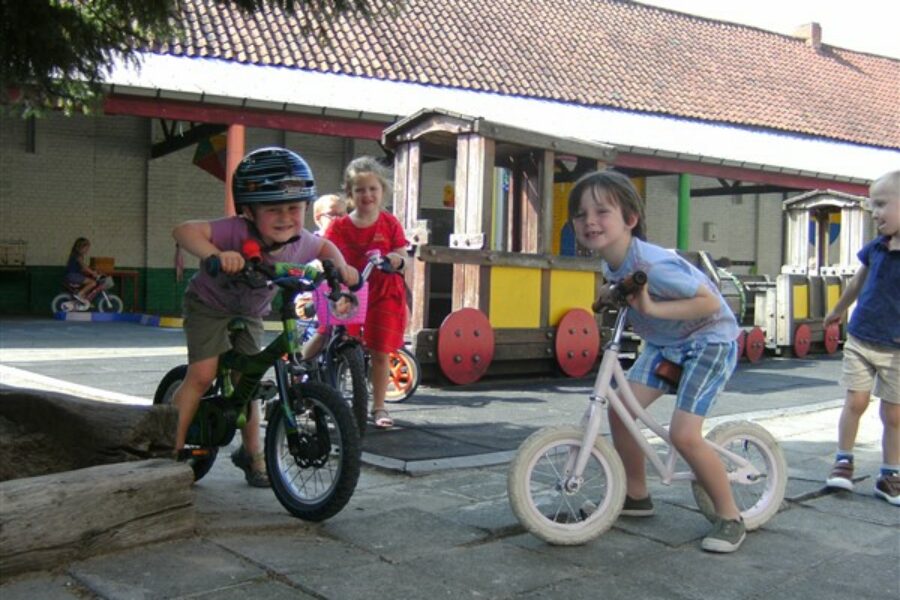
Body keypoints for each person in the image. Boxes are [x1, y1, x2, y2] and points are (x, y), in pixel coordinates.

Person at [568, 169, 744, 553]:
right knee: (619, 410)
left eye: (601, 211)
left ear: (630, 219)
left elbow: (711, 302)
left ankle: (730, 516)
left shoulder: (656, 265)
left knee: (684, 434)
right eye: (580, 215)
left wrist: (648, 306)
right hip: (666, 345)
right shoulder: (611, 261)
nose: (590, 221)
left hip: (708, 341)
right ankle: (635, 494)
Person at [171, 147, 358, 487]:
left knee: (250, 382)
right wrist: (218, 254)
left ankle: (252, 455)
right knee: (202, 374)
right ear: (249, 211)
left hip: (250, 311)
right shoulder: (235, 231)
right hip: (210, 306)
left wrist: (341, 266)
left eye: (294, 208)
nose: (286, 217)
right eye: (273, 209)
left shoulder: (301, 241)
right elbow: (184, 231)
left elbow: (324, 248)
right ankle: (169, 448)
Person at [823, 170, 899, 506]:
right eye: (872, 205)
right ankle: (843, 460)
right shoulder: (877, 247)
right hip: (862, 339)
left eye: (881, 204)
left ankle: (890, 474)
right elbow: (858, 281)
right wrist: (839, 308)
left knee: (895, 415)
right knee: (856, 401)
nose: (875, 212)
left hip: (897, 350)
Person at [325, 156, 408, 429]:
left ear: (382, 191)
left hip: (384, 291)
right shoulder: (338, 226)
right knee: (329, 338)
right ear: (350, 194)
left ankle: (380, 406)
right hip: (351, 292)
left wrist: (396, 260)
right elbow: (325, 252)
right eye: (360, 189)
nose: (367, 195)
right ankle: (313, 381)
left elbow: (401, 252)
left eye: (373, 188)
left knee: (381, 351)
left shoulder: (390, 223)